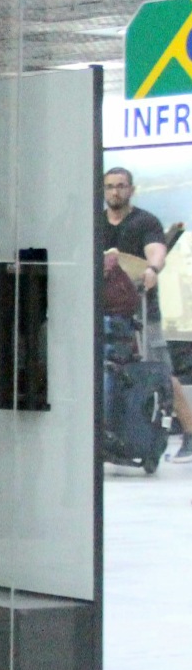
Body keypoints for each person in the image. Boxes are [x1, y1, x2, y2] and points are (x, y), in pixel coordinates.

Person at [100, 166, 192, 462]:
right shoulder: (96, 222)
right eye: (111, 186)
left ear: (131, 189)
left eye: (122, 186)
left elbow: (156, 250)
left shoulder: (144, 221)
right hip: (104, 309)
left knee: (161, 372)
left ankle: (190, 433)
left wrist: (153, 268)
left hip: (140, 308)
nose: (116, 191)